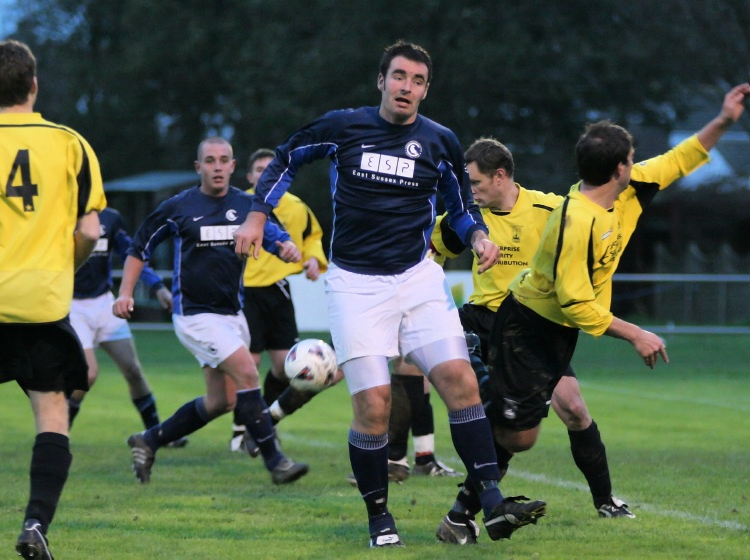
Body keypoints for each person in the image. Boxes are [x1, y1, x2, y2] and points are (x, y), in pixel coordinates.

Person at [234, 40, 546, 547]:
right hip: (356, 285)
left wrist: (478, 237)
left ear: (426, 89)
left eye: (418, 80)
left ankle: (490, 501)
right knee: (375, 407)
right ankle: (379, 516)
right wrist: (255, 215)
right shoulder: (343, 127)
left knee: (461, 383)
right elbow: (285, 159)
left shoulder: (441, 141)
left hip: (418, 278)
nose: (407, 87)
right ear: (381, 81)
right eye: (399, 76)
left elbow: (462, 208)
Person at [483, 82, 750, 530]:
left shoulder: (629, 189)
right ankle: (470, 442)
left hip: (554, 333)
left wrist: (724, 120)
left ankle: (584, 501)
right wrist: (637, 333)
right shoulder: (574, 220)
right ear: (621, 167)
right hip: (526, 328)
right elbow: (575, 305)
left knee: (565, 414)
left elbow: (679, 158)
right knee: (520, 436)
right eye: (632, 157)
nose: (637, 164)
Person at [432, 137, 637, 545]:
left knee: (575, 410)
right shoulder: (467, 220)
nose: (468, 192)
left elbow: (586, 240)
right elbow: (430, 251)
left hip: (534, 327)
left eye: (474, 183)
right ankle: (462, 509)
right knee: (509, 425)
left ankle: (605, 501)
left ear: (501, 176)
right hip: (483, 323)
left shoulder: (550, 210)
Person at [0, 40, 106, 560]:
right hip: (44, 300)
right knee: (51, 413)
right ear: (34, 85)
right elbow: (90, 228)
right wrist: (66, 263)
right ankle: (35, 525)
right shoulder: (70, 143)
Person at [112, 137, 310, 486]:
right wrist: (125, 292)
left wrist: (287, 248)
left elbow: (274, 237)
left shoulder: (248, 205)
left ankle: (150, 439)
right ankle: (275, 461)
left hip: (232, 314)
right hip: (195, 316)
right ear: (198, 167)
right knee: (249, 372)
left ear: (233, 167)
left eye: (223, 160)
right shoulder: (179, 207)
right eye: (210, 161)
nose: (217, 167)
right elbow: (139, 247)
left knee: (221, 401)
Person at [231, 148, 342, 455]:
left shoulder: (297, 207)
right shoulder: (242, 204)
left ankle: (262, 422)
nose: (265, 175)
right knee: (249, 365)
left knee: (283, 368)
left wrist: (312, 262)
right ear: (250, 176)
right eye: (259, 170)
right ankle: (241, 430)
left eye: (271, 170)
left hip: (279, 291)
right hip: (246, 291)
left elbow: (312, 239)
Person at [69, 206, 187, 447]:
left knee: (133, 370)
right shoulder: (58, 214)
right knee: (88, 374)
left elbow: (131, 253)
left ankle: (157, 434)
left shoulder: (110, 218)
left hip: (104, 304)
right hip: (71, 306)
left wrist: (157, 287)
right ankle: (57, 433)